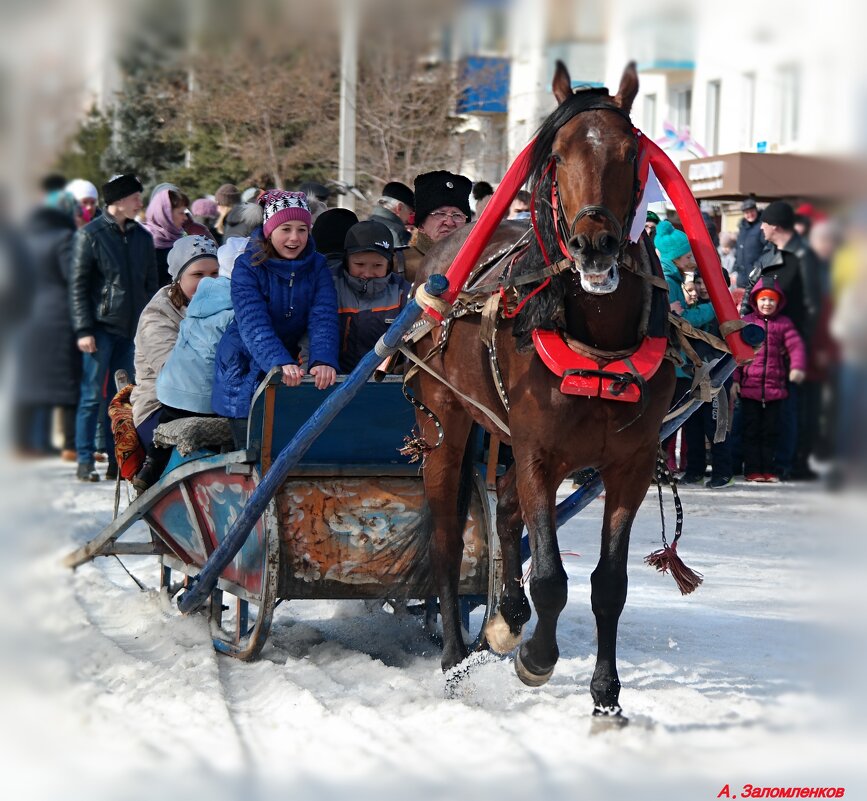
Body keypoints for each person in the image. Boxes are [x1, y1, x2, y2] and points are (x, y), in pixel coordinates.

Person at [212, 191, 339, 447]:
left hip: (292, 365)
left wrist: (322, 359)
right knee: (255, 452)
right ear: (269, 230)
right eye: (286, 229)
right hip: (245, 365)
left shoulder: (317, 266)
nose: (295, 238)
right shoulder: (248, 266)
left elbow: (323, 315)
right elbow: (252, 322)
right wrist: (278, 361)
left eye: (302, 229)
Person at [70, 173, 157, 481]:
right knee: (92, 394)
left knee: (124, 399)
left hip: (132, 330)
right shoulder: (91, 235)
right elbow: (78, 286)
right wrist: (83, 330)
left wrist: (147, 328)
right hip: (100, 328)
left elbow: (150, 286)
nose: (140, 202)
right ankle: (84, 459)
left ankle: (116, 460)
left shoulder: (143, 238)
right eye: (136, 197)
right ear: (119, 201)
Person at [130, 236, 221, 490]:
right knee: (200, 459)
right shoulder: (157, 315)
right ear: (178, 278)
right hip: (162, 406)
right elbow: (174, 373)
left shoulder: (224, 303)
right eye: (198, 274)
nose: (208, 282)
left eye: (215, 273)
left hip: (215, 401)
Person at [743, 200, 823, 479]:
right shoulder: (769, 255)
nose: (760, 227)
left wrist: (801, 348)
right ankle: (759, 463)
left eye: (764, 223)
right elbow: (749, 295)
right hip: (762, 348)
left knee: (791, 410)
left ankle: (789, 464)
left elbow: (816, 306)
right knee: (757, 413)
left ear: (775, 226)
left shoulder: (805, 258)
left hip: (792, 348)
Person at [12, 190, 81, 459]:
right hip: (58, 315)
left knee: (27, 381)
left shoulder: (23, 240)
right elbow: (71, 276)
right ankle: (70, 445)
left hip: (26, 315)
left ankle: (22, 443)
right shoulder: (63, 239)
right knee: (66, 382)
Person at [656, 220, 717, 475]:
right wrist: (712, 308)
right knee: (669, 419)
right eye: (688, 255)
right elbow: (681, 322)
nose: (692, 259)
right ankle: (653, 466)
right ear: (676, 258)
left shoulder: (672, 278)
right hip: (675, 362)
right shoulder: (669, 283)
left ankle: (655, 466)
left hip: (678, 361)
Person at [733, 281, 807, 482]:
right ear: (756, 300)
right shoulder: (747, 322)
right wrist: (735, 380)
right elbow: (737, 355)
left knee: (771, 431)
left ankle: (769, 469)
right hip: (750, 389)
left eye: (771, 300)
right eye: (763, 299)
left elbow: (795, 345)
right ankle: (752, 469)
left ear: (778, 303)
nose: (767, 303)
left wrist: (797, 367)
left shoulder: (783, 324)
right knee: (750, 431)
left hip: (775, 389)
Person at [331, 220, 411, 373]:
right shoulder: (329, 284)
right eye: (359, 264)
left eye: (377, 266)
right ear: (346, 260)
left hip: (383, 382)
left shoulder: (403, 292)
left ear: (389, 264)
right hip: (330, 379)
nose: (367, 273)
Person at [680, 269, 735, 488]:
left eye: (708, 282)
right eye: (699, 283)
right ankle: (695, 471)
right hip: (693, 376)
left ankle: (724, 472)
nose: (703, 287)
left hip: (717, 378)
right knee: (692, 426)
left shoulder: (724, 310)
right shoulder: (693, 308)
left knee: (715, 427)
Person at [402, 170, 472, 284]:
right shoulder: (399, 263)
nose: (449, 222)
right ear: (421, 225)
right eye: (440, 214)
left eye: (457, 215)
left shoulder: (479, 266)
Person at [145, 187, 194, 287]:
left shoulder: (181, 240)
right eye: (181, 213)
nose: (185, 218)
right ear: (165, 214)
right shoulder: (143, 241)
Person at [368, 181, 414, 248]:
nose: (409, 218)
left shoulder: (358, 228)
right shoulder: (397, 233)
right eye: (410, 213)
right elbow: (401, 258)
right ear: (399, 208)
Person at [733, 196, 765, 289]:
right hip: (741, 278)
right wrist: (735, 270)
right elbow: (738, 251)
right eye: (747, 212)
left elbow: (768, 249)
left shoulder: (762, 226)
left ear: (756, 210)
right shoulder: (742, 228)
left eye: (752, 211)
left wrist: (758, 266)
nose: (750, 214)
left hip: (756, 276)